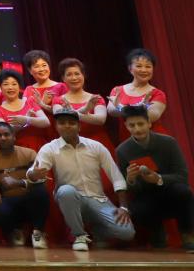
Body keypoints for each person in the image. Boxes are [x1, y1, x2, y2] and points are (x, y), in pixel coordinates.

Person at [28, 107, 134, 251]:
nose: (66, 126)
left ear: (79, 126)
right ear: (56, 127)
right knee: (66, 191)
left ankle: (97, 232)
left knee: (127, 233)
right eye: (62, 123)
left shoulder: (96, 146)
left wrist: (123, 207)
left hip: (98, 199)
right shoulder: (49, 148)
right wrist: (34, 174)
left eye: (71, 123)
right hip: (70, 199)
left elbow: (116, 177)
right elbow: (32, 173)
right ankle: (79, 236)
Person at [116, 105, 194, 251]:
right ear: (126, 126)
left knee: (184, 192)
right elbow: (131, 189)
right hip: (145, 194)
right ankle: (157, 232)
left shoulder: (168, 142)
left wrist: (158, 178)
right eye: (132, 125)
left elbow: (182, 175)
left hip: (170, 189)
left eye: (141, 124)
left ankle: (187, 234)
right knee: (137, 209)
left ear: (149, 123)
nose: (137, 129)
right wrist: (131, 179)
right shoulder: (122, 150)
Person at [0, 121, 49, 249]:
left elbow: (42, 181)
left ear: (14, 136)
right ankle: (15, 231)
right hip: (9, 201)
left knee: (41, 192)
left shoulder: (29, 153)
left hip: (30, 199)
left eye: (6, 134)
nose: (3, 138)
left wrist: (18, 183)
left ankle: (38, 232)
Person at [51, 58, 113, 151]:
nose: (74, 78)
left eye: (77, 74)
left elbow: (101, 120)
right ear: (63, 78)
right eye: (69, 74)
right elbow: (62, 120)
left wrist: (74, 113)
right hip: (70, 145)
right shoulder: (58, 100)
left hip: (97, 143)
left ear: (83, 75)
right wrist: (85, 109)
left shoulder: (95, 98)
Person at [0, 69, 50, 152]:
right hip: (17, 152)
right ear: (0, 87)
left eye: (14, 84)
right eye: (6, 84)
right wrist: (22, 123)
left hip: (40, 149)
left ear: (19, 86)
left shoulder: (30, 102)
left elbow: (46, 122)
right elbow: (4, 133)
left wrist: (27, 120)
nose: (10, 87)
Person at [108, 48, 169, 139]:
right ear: (130, 69)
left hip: (154, 139)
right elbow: (111, 110)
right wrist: (140, 108)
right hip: (128, 140)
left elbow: (153, 115)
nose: (144, 70)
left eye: (148, 66)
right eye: (139, 66)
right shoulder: (118, 90)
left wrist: (121, 108)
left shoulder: (157, 93)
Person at [22, 50, 67, 119]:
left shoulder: (61, 86)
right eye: (37, 66)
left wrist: (42, 104)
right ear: (30, 71)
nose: (41, 69)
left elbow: (67, 112)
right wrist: (43, 103)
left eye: (44, 65)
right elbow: (25, 115)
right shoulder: (29, 89)